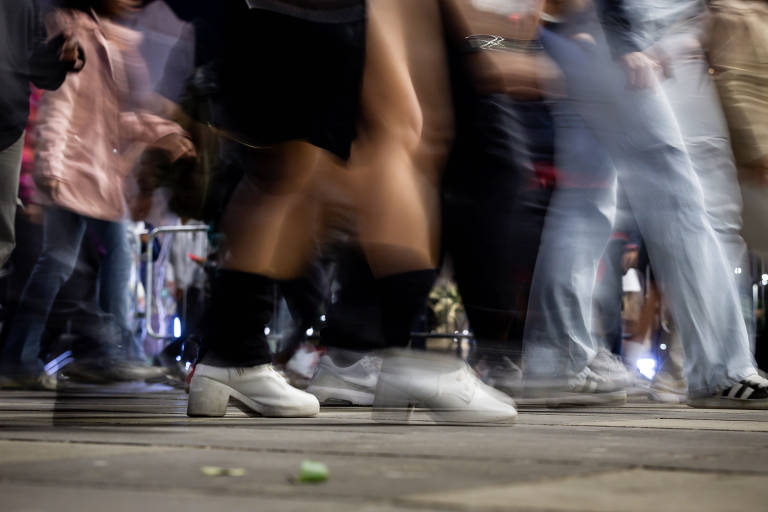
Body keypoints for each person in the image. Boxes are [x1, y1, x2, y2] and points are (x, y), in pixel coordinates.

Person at [0, 0, 193, 389]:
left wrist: (160, 133)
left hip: (97, 175)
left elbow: (112, 120)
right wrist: (50, 169)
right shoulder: (75, 29)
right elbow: (60, 106)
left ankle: (23, 356)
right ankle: (107, 353)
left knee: (62, 263)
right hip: (73, 174)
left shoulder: (111, 39)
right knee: (78, 260)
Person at [0, 0, 84, 268]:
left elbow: (37, 68)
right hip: (11, 123)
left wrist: (61, 55)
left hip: (8, 128)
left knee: (3, 237)